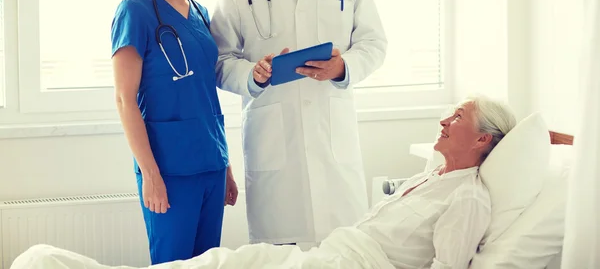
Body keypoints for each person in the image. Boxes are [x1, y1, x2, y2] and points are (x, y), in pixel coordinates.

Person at [13, 95, 517, 269]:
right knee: (220, 260)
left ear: (484, 141)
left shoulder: (467, 197)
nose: (445, 121)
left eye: (458, 117)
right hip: (322, 255)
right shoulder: (430, 175)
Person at [209, 0, 388, 246]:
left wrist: (343, 68)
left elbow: (373, 42)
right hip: (275, 139)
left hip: (331, 133)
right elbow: (220, 60)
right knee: (280, 253)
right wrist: (253, 75)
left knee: (344, 249)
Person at [110, 0, 238, 264]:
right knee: (172, 261)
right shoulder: (135, 12)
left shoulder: (198, 12)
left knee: (207, 262)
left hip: (210, 163)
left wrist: (224, 164)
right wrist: (150, 174)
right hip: (169, 168)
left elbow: (204, 95)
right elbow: (125, 100)